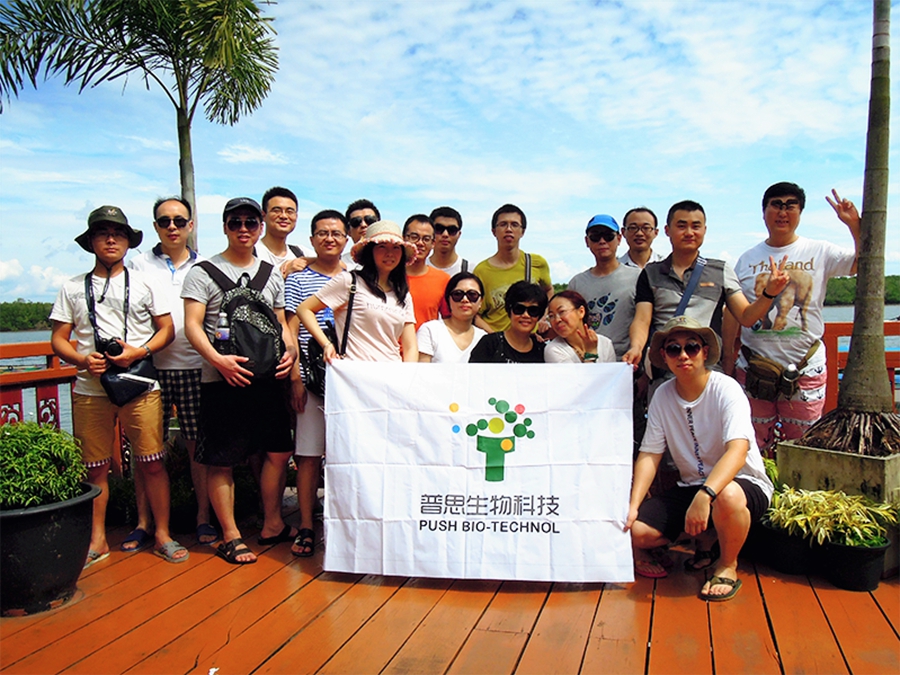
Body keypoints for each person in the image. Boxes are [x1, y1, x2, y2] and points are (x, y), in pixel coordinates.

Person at [50, 205, 186, 567]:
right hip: (90, 387)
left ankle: (162, 533)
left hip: (139, 385)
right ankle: (97, 539)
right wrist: (82, 360)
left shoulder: (145, 282)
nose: (111, 240)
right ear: (91, 241)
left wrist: (138, 352)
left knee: (152, 462)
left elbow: (167, 329)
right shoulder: (72, 287)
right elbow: (59, 338)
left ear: (128, 241)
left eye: (118, 234)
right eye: (103, 234)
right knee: (95, 467)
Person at [624, 316, 773, 601]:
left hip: (741, 483)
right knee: (640, 532)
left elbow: (738, 450)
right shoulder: (662, 395)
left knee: (726, 496)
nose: (682, 355)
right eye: (673, 349)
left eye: (691, 347)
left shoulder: (726, 388)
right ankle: (708, 537)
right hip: (692, 486)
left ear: (704, 352)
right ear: (664, 357)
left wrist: (706, 495)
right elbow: (651, 453)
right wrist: (633, 506)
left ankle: (727, 565)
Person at [182, 197, 297, 565]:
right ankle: (230, 535)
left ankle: (273, 523)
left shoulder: (271, 273)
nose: (243, 229)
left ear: (260, 227)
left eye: (250, 222)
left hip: (268, 378)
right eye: (236, 222)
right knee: (223, 459)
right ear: (225, 227)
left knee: (278, 452)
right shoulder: (203, 272)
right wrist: (218, 361)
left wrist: (290, 351)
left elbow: (280, 322)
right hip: (222, 380)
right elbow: (192, 324)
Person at [726, 183, 859, 452]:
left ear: (800, 212)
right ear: (764, 212)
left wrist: (854, 225)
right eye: (776, 204)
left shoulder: (820, 250)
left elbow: (860, 263)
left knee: (805, 443)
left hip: (805, 366)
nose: (783, 212)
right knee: (751, 443)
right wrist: (728, 360)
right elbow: (734, 311)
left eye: (790, 205)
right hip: (754, 367)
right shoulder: (747, 259)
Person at [128, 197, 216, 549]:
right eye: (165, 221)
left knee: (198, 448)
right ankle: (143, 521)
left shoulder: (206, 265)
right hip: (150, 369)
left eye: (180, 221)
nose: (172, 227)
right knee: (147, 451)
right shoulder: (137, 265)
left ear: (191, 225)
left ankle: (203, 517)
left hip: (196, 367)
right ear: (155, 226)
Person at [623, 200, 790, 379]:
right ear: (667, 230)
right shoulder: (651, 273)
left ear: (704, 230)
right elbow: (642, 320)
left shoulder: (720, 271)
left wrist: (769, 293)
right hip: (665, 372)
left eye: (696, 226)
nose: (689, 232)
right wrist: (636, 347)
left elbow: (746, 317)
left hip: (708, 373)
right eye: (681, 226)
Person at [284, 209, 348, 558]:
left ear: (346, 239)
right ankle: (307, 524)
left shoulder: (355, 277)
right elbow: (291, 329)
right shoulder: (297, 278)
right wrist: (295, 377)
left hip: (347, 376)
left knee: (345, 455)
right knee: (308, 454)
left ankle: (342, 525)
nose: (329, 238)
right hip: (310, 375)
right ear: (311, 240)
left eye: (336, 233)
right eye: (322, 233)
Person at [299, 220, 418, 363]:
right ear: (370, 251)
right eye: (382, 246)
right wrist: (326, 344)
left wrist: (408, 373)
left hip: (392, 372)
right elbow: (304, 309)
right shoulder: (349, 282)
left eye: (396, 248)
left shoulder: (403, 294)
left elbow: (410, 346)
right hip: (353, 371)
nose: (389, 253)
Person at [567, 214, 640, 360]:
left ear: (619, 238)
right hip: (589, 361)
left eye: (608, 236)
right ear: (587, 241)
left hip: (626, 361)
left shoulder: (637, 277)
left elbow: (644, 320)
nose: (602, 241)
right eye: (595, 237)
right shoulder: (577, 283)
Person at [473, 204, 552, 332]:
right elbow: (475, 313)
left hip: (528, 338)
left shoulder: (537, 263)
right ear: (494, 231)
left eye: (514, 225)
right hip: (496, 338)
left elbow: (548, 290)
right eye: (503, 224)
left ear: (522, 231)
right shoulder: (481, 271)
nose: (509, 229)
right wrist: (493, 337)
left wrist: (543, 318)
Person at [469, 281, 547, 363]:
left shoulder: (542, 351)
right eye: (519, 309)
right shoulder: (490, 344)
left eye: (533, 310)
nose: (526, 315)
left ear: (539, 315)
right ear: (509, 310)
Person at [418, 272, 487, 363]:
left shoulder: (484, 339)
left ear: (481, 301)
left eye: (472, 295)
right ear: (448, 299)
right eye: (457, 294)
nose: (465, 300)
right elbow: (422, 369)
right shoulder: (430, 330)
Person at [404, 214, 450, 329]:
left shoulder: (443, 280)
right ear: (404, 238)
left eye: (426, 239)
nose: (420, 243)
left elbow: (449, 320)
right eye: (414, 237)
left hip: (425, 340)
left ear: (433, 243)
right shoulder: (388, 275)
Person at [544, 290, 615, 364]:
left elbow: (612, 371)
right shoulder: (553, 349)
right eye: (551, 316)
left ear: (581, 311)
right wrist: (590, 354)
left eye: (562, 312)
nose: (557, 320)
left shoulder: (605, 343)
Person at [257, 186, 307, 277]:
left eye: (289, 211)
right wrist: (282, 273)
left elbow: (329, 261)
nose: (284, 216)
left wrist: (306, 260)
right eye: (277, 211)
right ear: (263, 215)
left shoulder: (300, 252)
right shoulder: (252, 253)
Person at [428, 206, 469, 276]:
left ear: (459, 234)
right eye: (439, 228)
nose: (445, 234)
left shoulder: (471, 270)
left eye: (452, 230)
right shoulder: (417, 269)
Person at [342, 199, 380, 269]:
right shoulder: (340, 264)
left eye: (370, 220)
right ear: (348, 231)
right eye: (356, 222)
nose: (363, 225)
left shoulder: (393, 259)